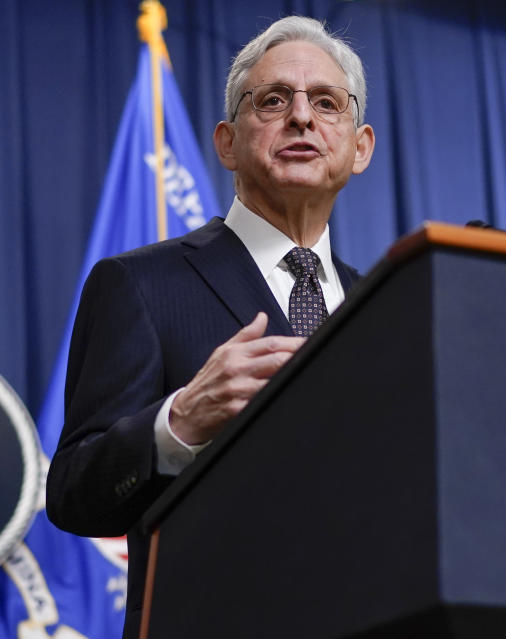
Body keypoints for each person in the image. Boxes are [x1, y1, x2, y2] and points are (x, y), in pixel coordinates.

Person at [46, 16, 375, 639]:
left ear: (359, 147)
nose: (301, 117)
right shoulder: (139, 285)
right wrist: (178, 422)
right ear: (226, 142)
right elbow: (71, 494)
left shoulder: (379, 308)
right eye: (274, 100)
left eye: (326, 103)